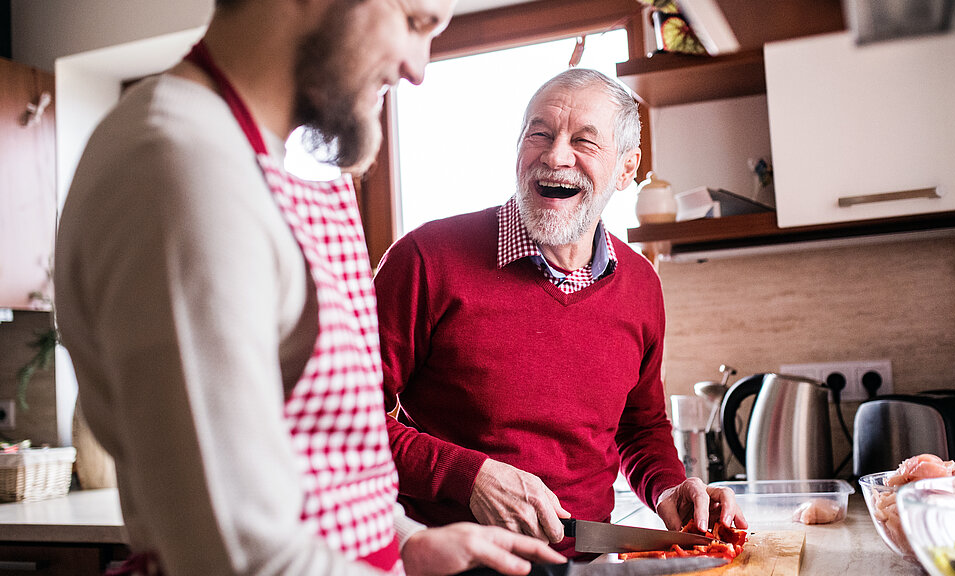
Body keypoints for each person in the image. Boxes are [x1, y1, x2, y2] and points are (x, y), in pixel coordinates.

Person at [53, 1, 566, 575]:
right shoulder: (183, 167)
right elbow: (236, 555)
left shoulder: (242, 157)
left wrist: (403, 546)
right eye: (416, 23)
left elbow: (310, 460)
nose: (418, 68)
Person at [374, 68, 747, 557]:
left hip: (587, 562)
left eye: (585, 142)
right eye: (539, 134)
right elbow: (345, 421)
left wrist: (670, 491)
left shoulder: (641, 286)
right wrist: (471, 477)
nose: (555, 156)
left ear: (626, 167)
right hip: (449, 562)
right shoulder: (425, 259)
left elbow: (640, 428)